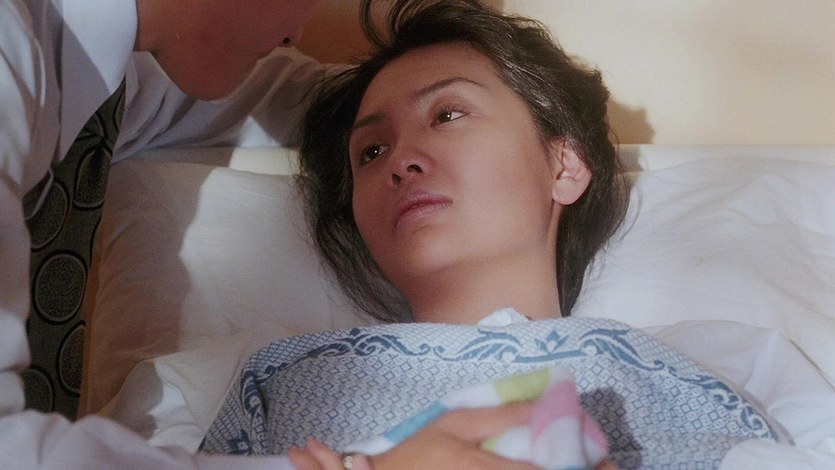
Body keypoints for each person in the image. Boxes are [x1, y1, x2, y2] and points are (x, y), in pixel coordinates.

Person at [1, 0, 531, 468]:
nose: (299, 31)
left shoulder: (112, 78)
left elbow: (298, 101)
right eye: (373, 154)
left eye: (449, 116)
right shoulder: (262, 383)